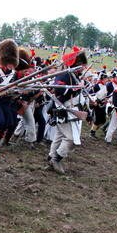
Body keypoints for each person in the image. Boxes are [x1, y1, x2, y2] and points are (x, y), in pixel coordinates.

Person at [46, 46, 87, 174]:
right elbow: (57, 89)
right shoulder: (64, 74)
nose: (83, 68)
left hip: (71, 109)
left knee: (59, 137)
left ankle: (51, 158)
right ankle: (56, 159)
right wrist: (74, 88)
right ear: (76, 64)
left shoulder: (75, 76)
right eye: (82, 65)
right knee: (70, 140)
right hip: (63, 109)